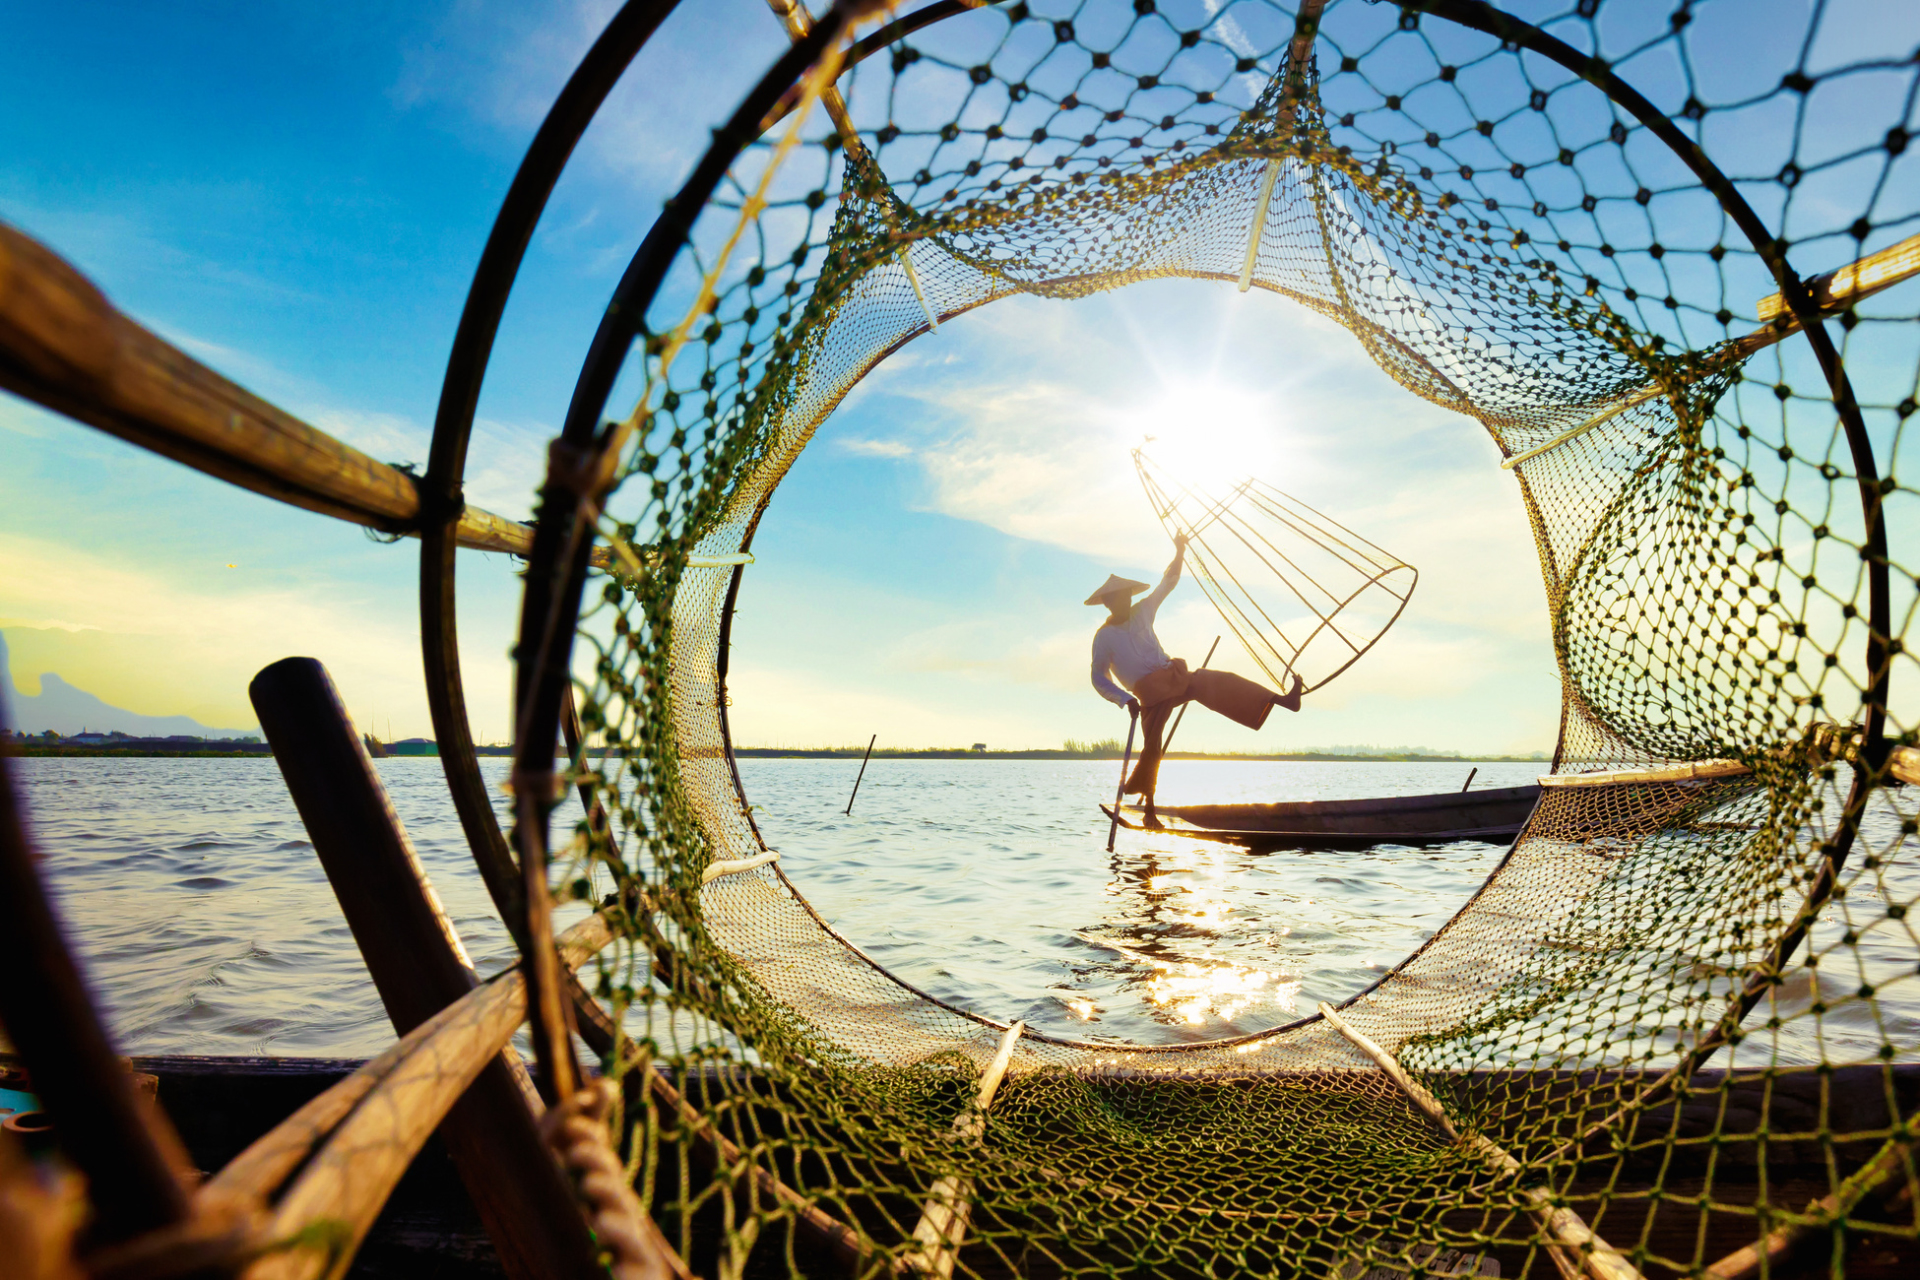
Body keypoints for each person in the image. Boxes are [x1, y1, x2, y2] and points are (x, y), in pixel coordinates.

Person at [1089, 532, 1303, 827]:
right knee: (1152, 746)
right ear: (1108, 604)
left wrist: (1179, 551)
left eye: (1125, 597)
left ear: (1129, 597)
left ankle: (1284, 701)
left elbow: (1169, 582)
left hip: (1173, 675)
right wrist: (1125, 700)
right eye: (1116, 600)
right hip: (1148, 693)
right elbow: (1098, 677)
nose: (1123, 602)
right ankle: (1150, 812)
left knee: (1215, 681)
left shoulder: (1142, 611)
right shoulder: (1104, 638)